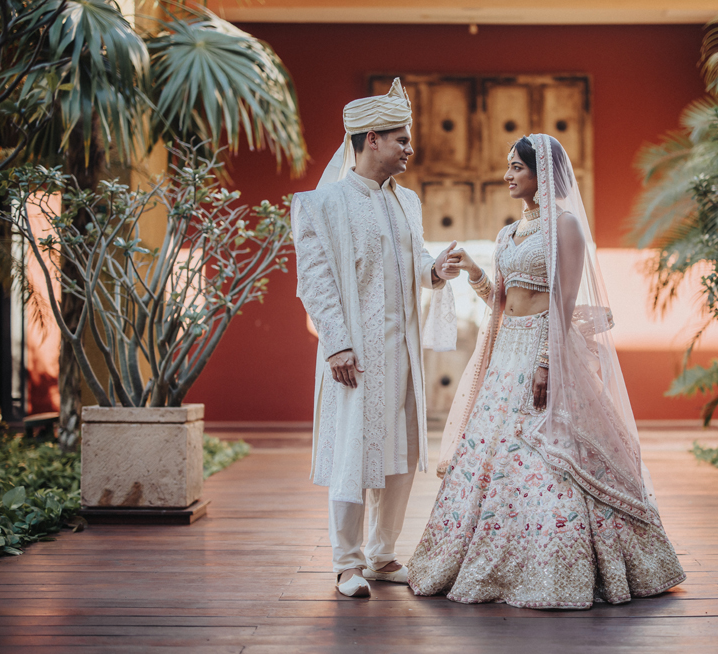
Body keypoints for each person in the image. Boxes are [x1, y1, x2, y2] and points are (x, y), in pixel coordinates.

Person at [407, 134, 686, 609]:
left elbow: (563, 303)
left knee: (551, 457)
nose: (507, 175)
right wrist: (475, 271)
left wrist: (545, 364)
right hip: (504, 357)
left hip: (544, 349)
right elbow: (501, 301)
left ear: (543, 175)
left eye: (517, 167)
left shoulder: (566, 227)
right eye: (508, 166)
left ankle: (558, 565)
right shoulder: (508, 234)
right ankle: (495, 559)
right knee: (493, 460)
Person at [293, 79, 461, 598]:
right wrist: (337, 344)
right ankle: (347, 563)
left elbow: (409, 265)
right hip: (354, 353)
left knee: (401, 451)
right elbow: (315, 280)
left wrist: (435, 271)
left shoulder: (406, 201)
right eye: (401, 140)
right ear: (370, 139)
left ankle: (383, 555)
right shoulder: (323, 204)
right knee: (352, 450)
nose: (410, 149)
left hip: (401, 349)